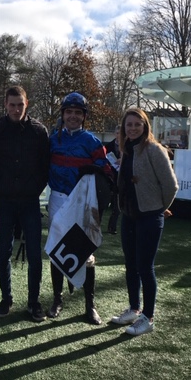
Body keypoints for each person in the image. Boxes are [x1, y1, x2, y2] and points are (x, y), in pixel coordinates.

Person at [46, 92, 115, 325]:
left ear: (83, 116)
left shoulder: (91, 141)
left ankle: (90, 305)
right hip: (57, 199)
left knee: (85, 252)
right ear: (63, 114)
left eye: (78, 113)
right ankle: (57, 299)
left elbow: (106, 170)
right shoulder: (53, 139)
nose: (73, 116)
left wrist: (94, 169)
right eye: (69, 112)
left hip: (82, 203)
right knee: (57, 251)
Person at [0, 85, 50, 322]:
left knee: (34, 254)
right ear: (5, 104)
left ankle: (34, 303)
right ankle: (6, 299)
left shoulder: (38, 131)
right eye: (11, 105)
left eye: (19, 105)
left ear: (27, 104)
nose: (15, 109)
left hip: (30, 203)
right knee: (4, 252)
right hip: (4, 203)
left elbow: (45, 168)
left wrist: (33, 189)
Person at [111, 108, 178, 336]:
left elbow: (171, 185)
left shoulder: (154, 150)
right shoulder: (126, 150)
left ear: (145, 126)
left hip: (149, 216)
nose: (132, 128)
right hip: (129, 215)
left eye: (137, 124)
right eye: (128, 125)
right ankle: (133, 308)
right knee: (131, 265)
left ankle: (147, 317)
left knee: (145, 267)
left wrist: (160, 207)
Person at [104, 125, 122, 234]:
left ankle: (112, 228)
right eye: (117, 133)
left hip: (121, 181)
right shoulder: (107, 147)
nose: (119, 135)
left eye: (121, 133)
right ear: (114, 134)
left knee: (117, 207)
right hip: (109, 179)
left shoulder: (128, 147)